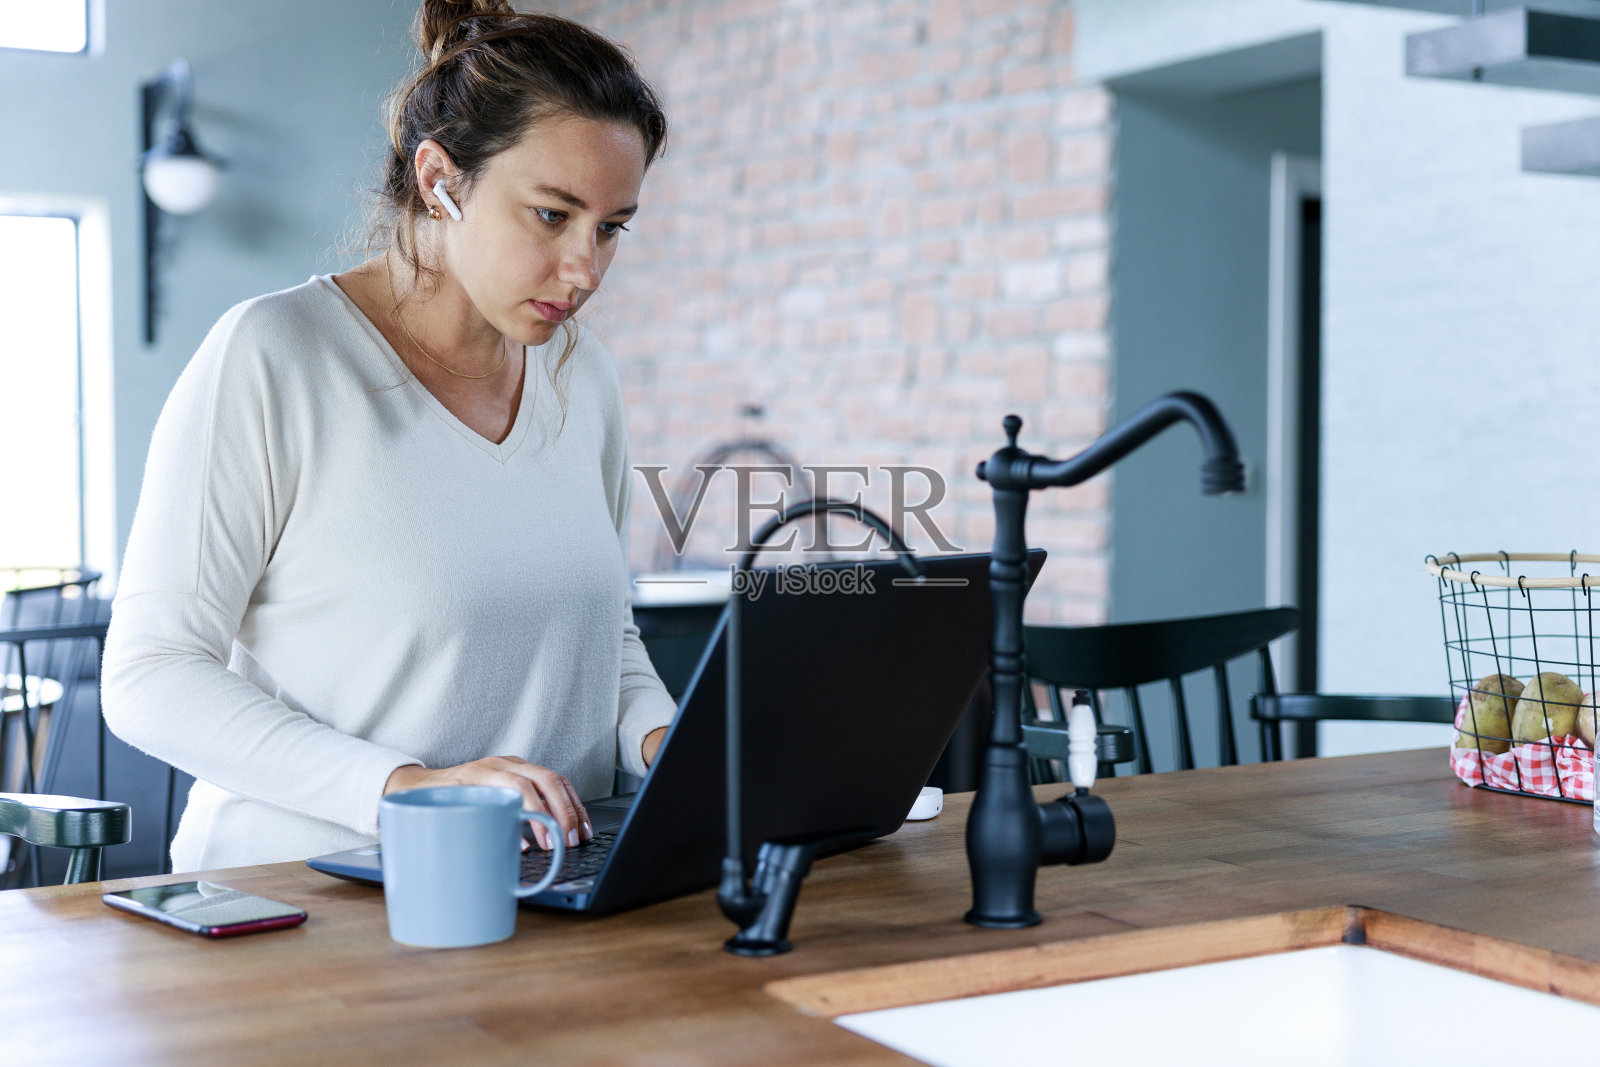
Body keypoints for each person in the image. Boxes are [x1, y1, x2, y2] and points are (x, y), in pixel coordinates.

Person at [103, 0, 677, 872]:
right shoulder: (275, 357)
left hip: (542, 893)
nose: (586, 269)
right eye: (553, 216)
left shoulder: (580, 376)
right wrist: (411, 788)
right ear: (440, 179)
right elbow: (150, 675)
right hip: (297, 906)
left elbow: (605, 641)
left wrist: (667, 740)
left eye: (612, 228)